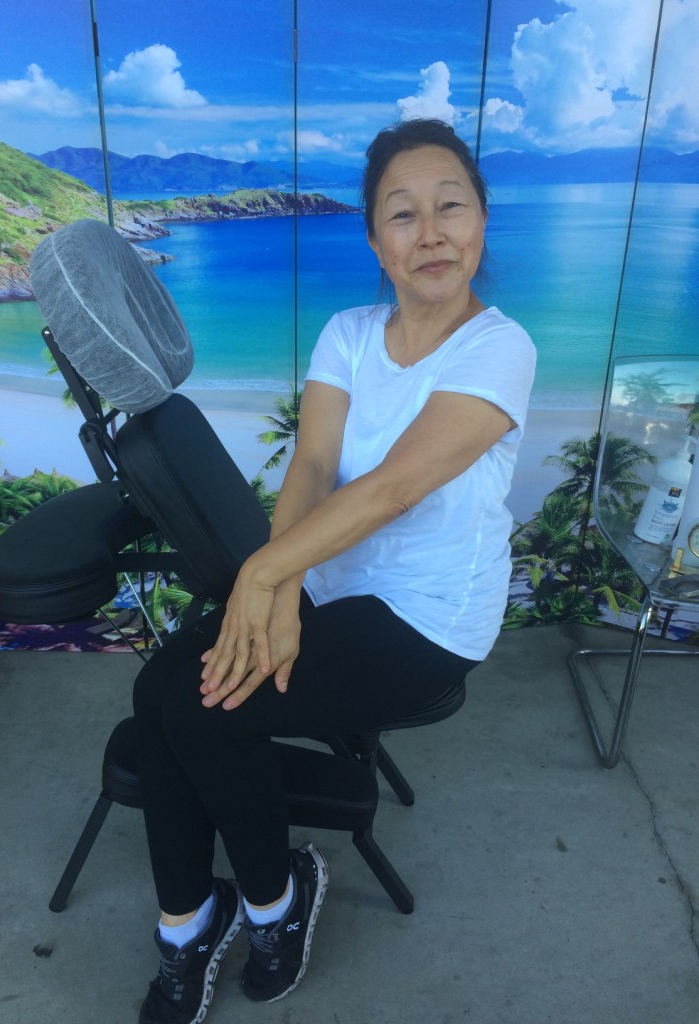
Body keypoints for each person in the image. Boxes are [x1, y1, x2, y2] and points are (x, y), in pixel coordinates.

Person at [133, 117, 536, 1024]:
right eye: (403, 213)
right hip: (327, 580)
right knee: (158, 690)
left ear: (481, 220)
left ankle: (275, 904)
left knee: (202, 713)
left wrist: (260, 577)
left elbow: (394, 488)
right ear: (375, 240)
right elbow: (313, 466)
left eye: (450, 206)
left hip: (428, 617)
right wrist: (282, 586)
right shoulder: (349, 333)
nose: (430, 233)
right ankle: (188, 917)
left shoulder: (500, 347)